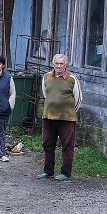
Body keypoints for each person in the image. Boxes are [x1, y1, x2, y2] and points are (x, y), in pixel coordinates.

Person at [39, 53, 82, 181]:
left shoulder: (72, 79)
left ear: (66, 65)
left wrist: (68, 111)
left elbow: (78, 99)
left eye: (61, 63)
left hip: (66, 118)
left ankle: (65, 173)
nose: (58, 66)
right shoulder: (46, 77)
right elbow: (46, 94)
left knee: (67, 146)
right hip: (48, 117)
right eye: (56, 63)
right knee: (47, 144)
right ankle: (48, 171)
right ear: (53, 64)